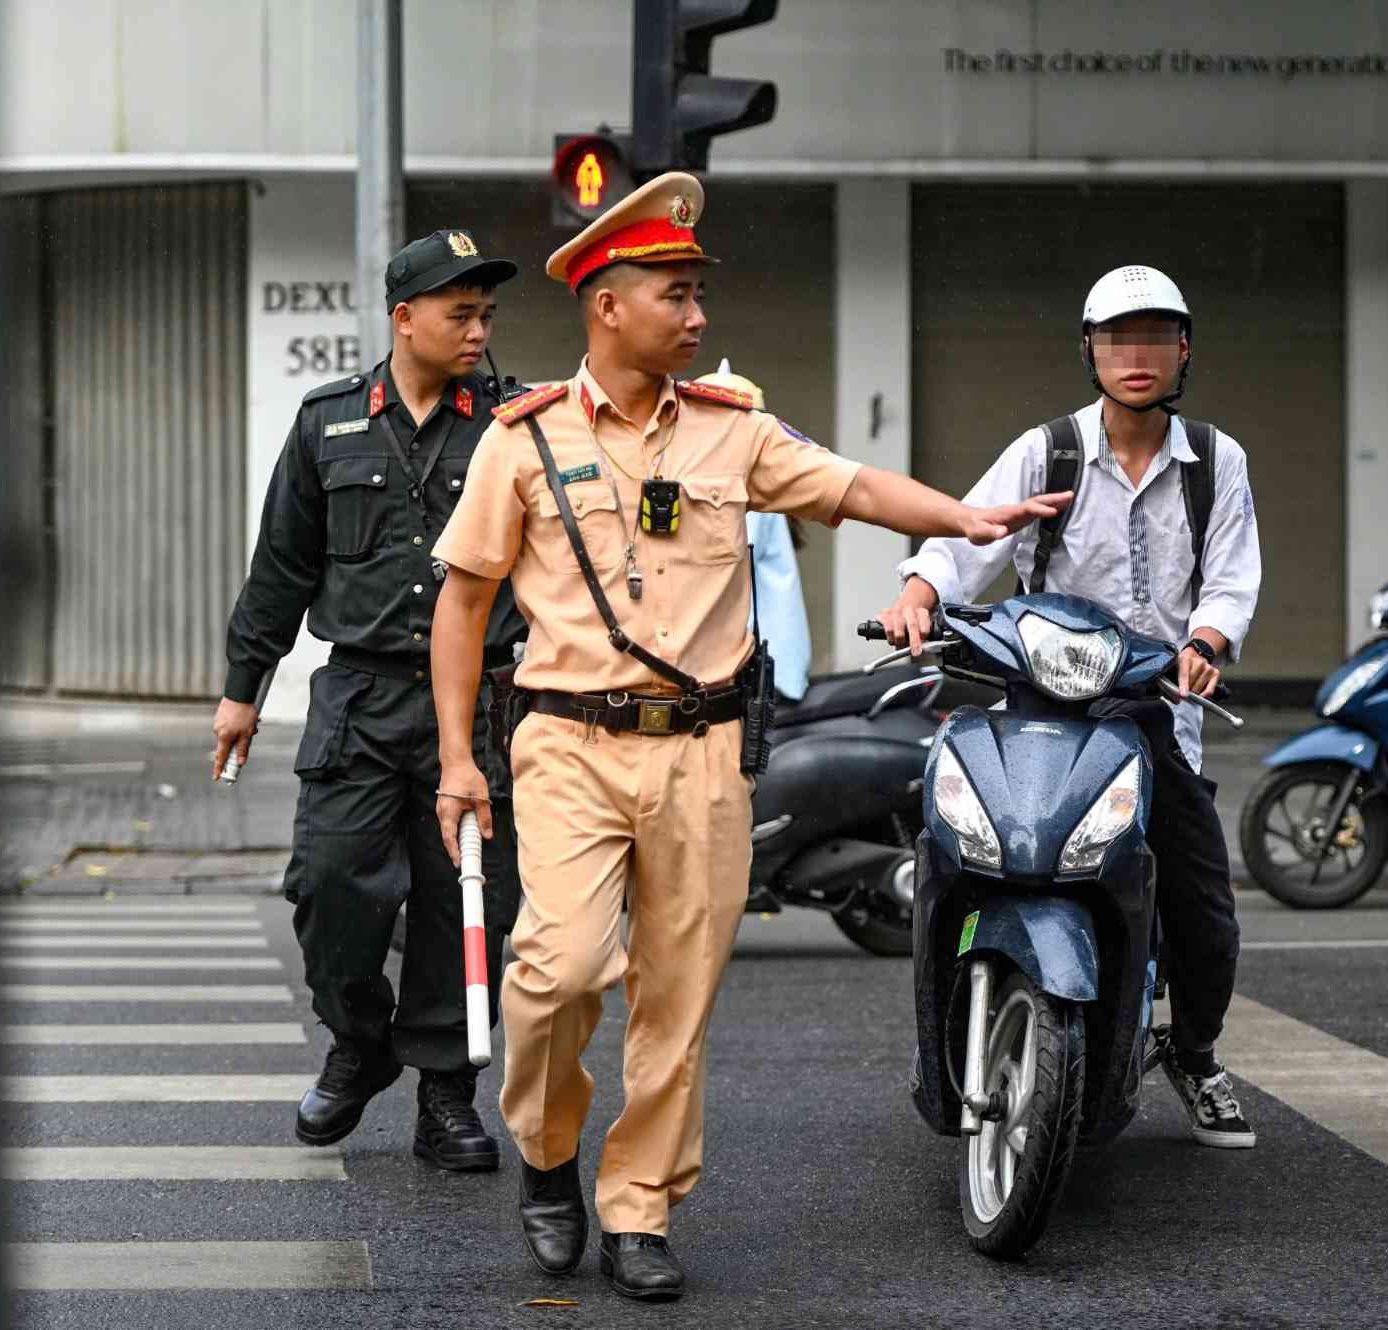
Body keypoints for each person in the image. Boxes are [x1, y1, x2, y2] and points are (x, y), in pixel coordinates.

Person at [425, 171, 1068, 1303]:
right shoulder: (519, 441)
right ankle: (543, 1149)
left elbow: (852, 485)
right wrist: (458, 760)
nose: (696, 314)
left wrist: (965, 518)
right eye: (673, 293)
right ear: (606, 304)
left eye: (695, 292)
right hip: (568, 744)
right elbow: (463, 603)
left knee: (677, 997)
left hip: (709, 753)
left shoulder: (734, 433)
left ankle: (636, 1206)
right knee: (555, 972)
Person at [879, 263, 1264, 1150]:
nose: (1138, 356)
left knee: (1203, 905)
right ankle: (943, 1038)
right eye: (1118, 337)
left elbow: (1232, 579)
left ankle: (1196, 1054)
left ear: (1184, 351)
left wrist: (1205, 644)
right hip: (1037, 708)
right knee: (963, 855)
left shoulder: (1217, 461)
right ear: (1089, 349)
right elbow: (965, 537)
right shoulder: (1045, 450)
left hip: (1154, 712)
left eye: (1158, 337)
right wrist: (917, 594)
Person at [212, 229, 528, 1173]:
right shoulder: (328, 422)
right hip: (359, 692)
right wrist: (242, 691)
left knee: (460, 901)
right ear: (405, 318)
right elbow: (281, 568)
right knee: (330, 887)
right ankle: (359, 1040)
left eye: (485, 316)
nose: (477, 331)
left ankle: (445, 1094)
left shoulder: (518, 423)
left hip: (481, 700)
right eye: (458, 313)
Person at [697, 360, 813, 701]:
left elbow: (719, 565)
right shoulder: (753, 485)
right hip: (766, 665)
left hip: (761, 673)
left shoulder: (740, 492)